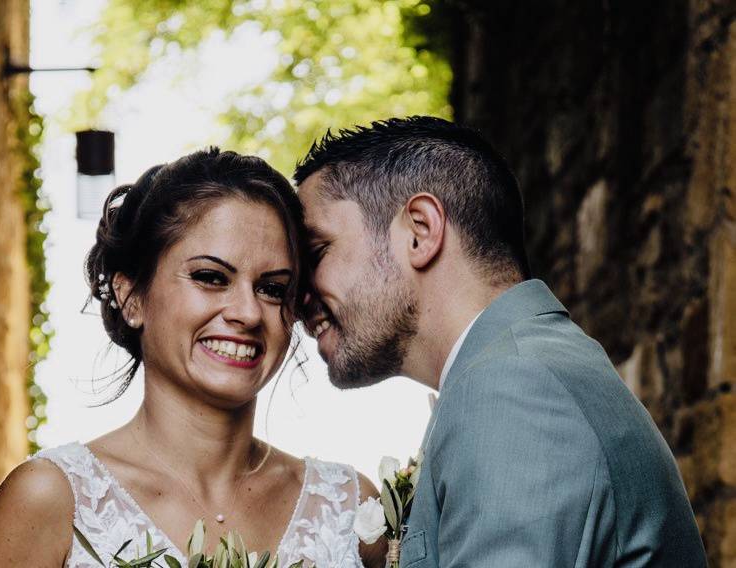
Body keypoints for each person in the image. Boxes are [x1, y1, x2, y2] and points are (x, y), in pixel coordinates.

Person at [295, 116, 707, 567]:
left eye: (316, 252)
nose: (299, 298)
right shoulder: (522, 370)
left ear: (420, 230)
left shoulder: (513, 387)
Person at [0, 148, 384, 568]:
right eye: (210, 278)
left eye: (272, 288)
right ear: (131, 298)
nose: (249, 312)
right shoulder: (50, 503)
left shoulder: (350, 511)